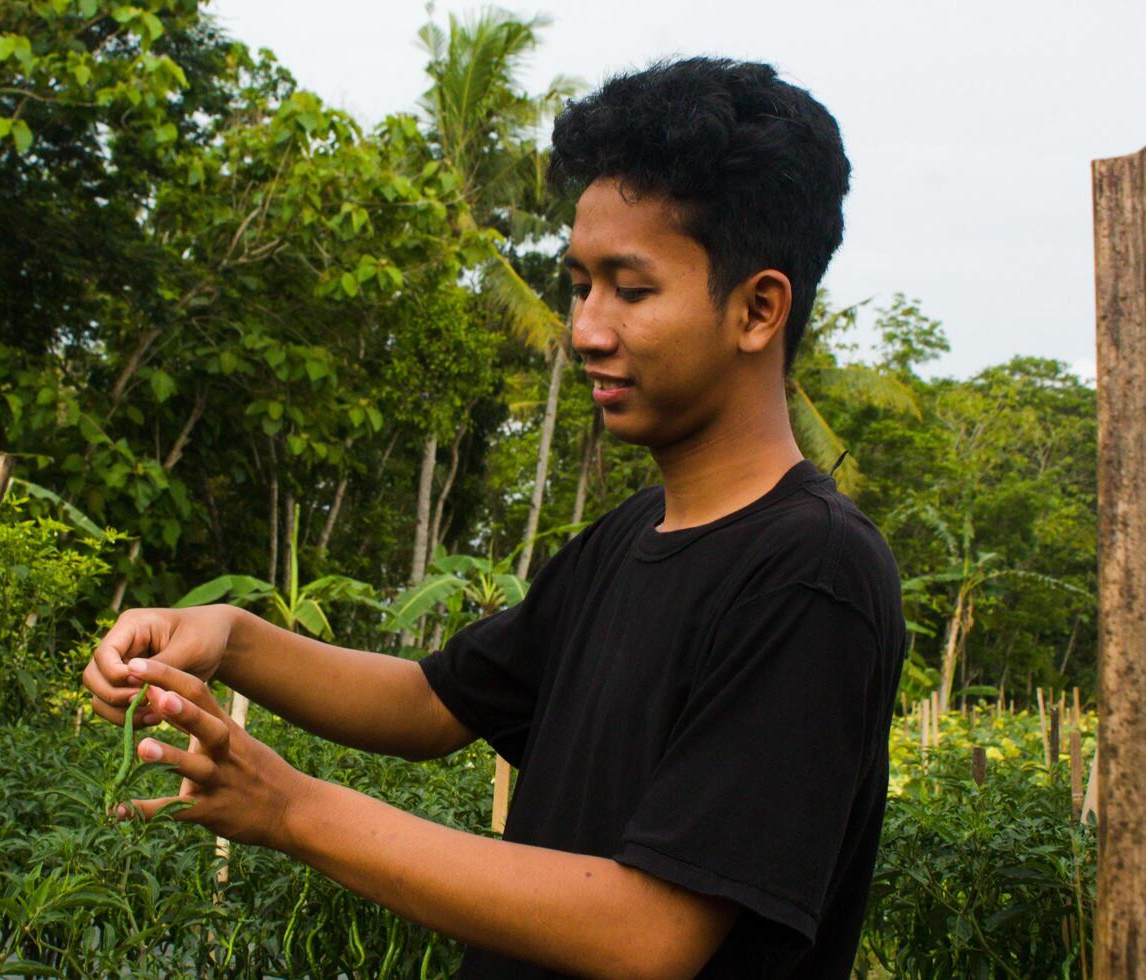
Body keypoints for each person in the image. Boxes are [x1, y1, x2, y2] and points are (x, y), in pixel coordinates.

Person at [83, 55, 904, 979]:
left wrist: (291, 808)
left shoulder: (812, 575)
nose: (586, 328)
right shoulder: (627, 542)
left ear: (758, 309)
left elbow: (651, 933)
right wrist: (228, 636)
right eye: (580, 284)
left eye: (631, 290)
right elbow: (433, 704)